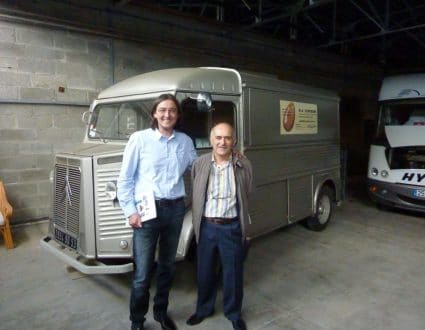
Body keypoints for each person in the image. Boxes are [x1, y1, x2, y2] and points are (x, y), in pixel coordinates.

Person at [117, 94, 197, 330]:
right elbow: (125, 179)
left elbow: (198, 167)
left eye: (172, 110)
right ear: (154, 113)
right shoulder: (139, 139)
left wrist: (228, 155)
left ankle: (161, 313)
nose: (167, 114)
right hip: (146, 213)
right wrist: (130, 211)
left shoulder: (185, 141)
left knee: (167, 267)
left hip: (174, 210)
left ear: (177, 115)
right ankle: (137, 321)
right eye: (162, 110)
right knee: (142, 273)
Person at [187, 123, 253, 330]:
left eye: (227, 138)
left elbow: (248, 191)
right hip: (207, 227)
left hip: (231, 227)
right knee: (204, 272)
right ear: (211, 140)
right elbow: (195, 192)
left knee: (233, 273)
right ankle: (203, 309)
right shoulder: (200, 163)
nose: (222, 142)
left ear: (234, 141)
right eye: (218, 137)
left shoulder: (243, 164)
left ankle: (233, 313)